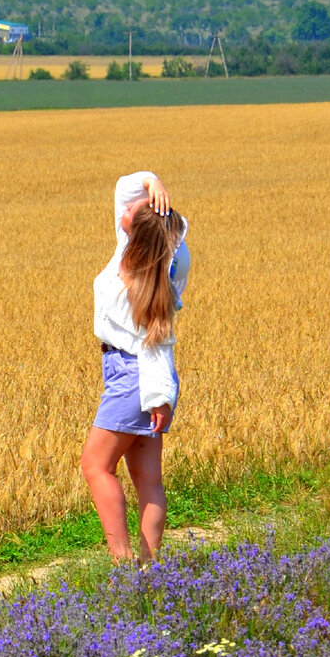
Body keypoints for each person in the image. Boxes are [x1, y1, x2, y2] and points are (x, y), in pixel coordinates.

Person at [80, 171, 190, 563]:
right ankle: (148, 568)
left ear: (136, 232)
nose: (125, 207)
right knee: (148, 479)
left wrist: (159, 397)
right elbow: (125, 190)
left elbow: (155, 347)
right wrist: (152, 182)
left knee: (95, 466)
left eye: (134, 210)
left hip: (133, 378)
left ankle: (123, 561)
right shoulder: (158, 260)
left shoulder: (141, 273)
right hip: (139, 379)